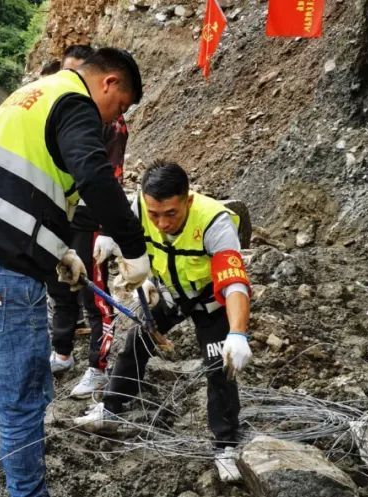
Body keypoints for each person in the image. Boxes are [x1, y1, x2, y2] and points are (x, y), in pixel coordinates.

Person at [0, 47, 151, 497]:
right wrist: (133, 247)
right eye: (119, 107)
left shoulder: (32, 94)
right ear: (109, 83)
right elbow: (94, 176)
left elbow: (22, 185)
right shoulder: (75, 102)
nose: (114, 119)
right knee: (22, 395)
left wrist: (60, 251)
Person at [74, 160, 254, 483]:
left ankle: (225, 445)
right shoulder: (140, 208)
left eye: (171, 213)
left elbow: (234, 284)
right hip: (168, 293)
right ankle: (111, 408)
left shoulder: (214, 223)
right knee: (136, 341)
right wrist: (111, 238)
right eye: (154, 214)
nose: (161, 223)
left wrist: (238, 333)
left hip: (210, 301)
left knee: (219, 367)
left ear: (188, 200)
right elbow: (119, 221)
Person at [47, 44, 132, 401]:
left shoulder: (111, 122)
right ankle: (62, 351)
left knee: (94, 294)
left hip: (90, 218)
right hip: (61, 213)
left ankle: (98, 367)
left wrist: (111, 231)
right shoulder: (61, 106)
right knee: (60, 284)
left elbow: (111, 176)